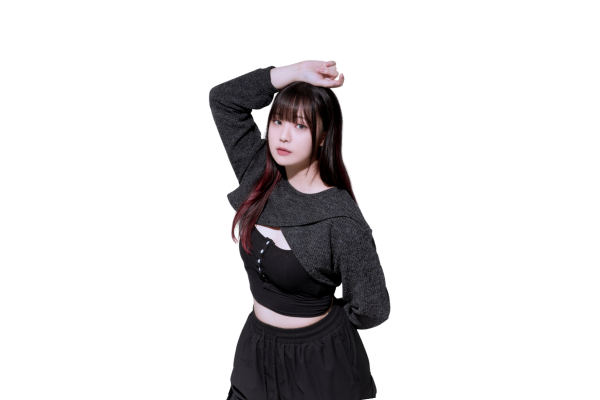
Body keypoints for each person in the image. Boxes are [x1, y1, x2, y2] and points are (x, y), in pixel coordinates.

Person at [209, 60, 391, 400]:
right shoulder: (258, 173)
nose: (283, 135)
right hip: (255, 351)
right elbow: (224, 99)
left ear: (322, 136)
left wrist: (318, 329)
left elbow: (372, 308)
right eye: (278, 120)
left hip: (317, 363)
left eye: (300, 125)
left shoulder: (340, 219)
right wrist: (291, 74)